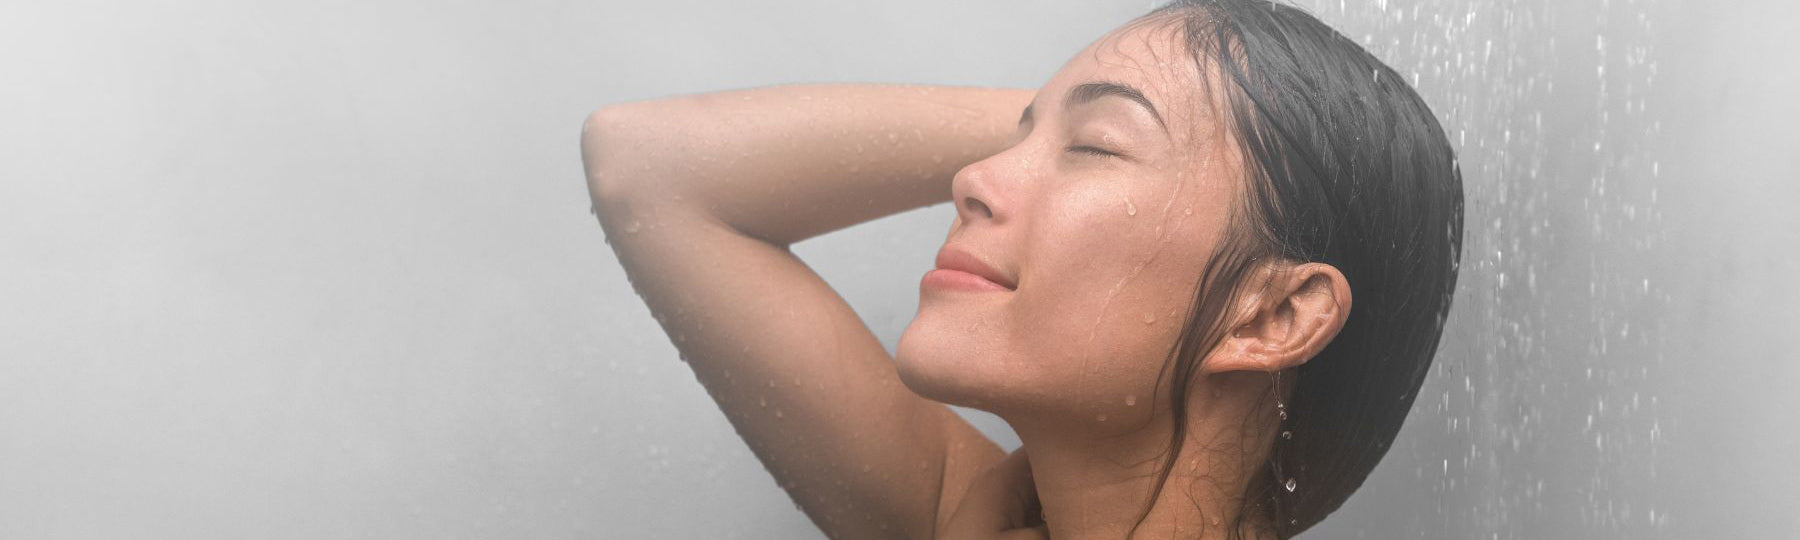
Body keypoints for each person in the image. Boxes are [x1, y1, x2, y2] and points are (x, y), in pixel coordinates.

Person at [581, 0, 1463, 537]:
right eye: (1012, 143)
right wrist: (1113, 110)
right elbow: (649, 165)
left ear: (1272, 316)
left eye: (1096, 150)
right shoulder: (968, 519)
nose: (969, 179)